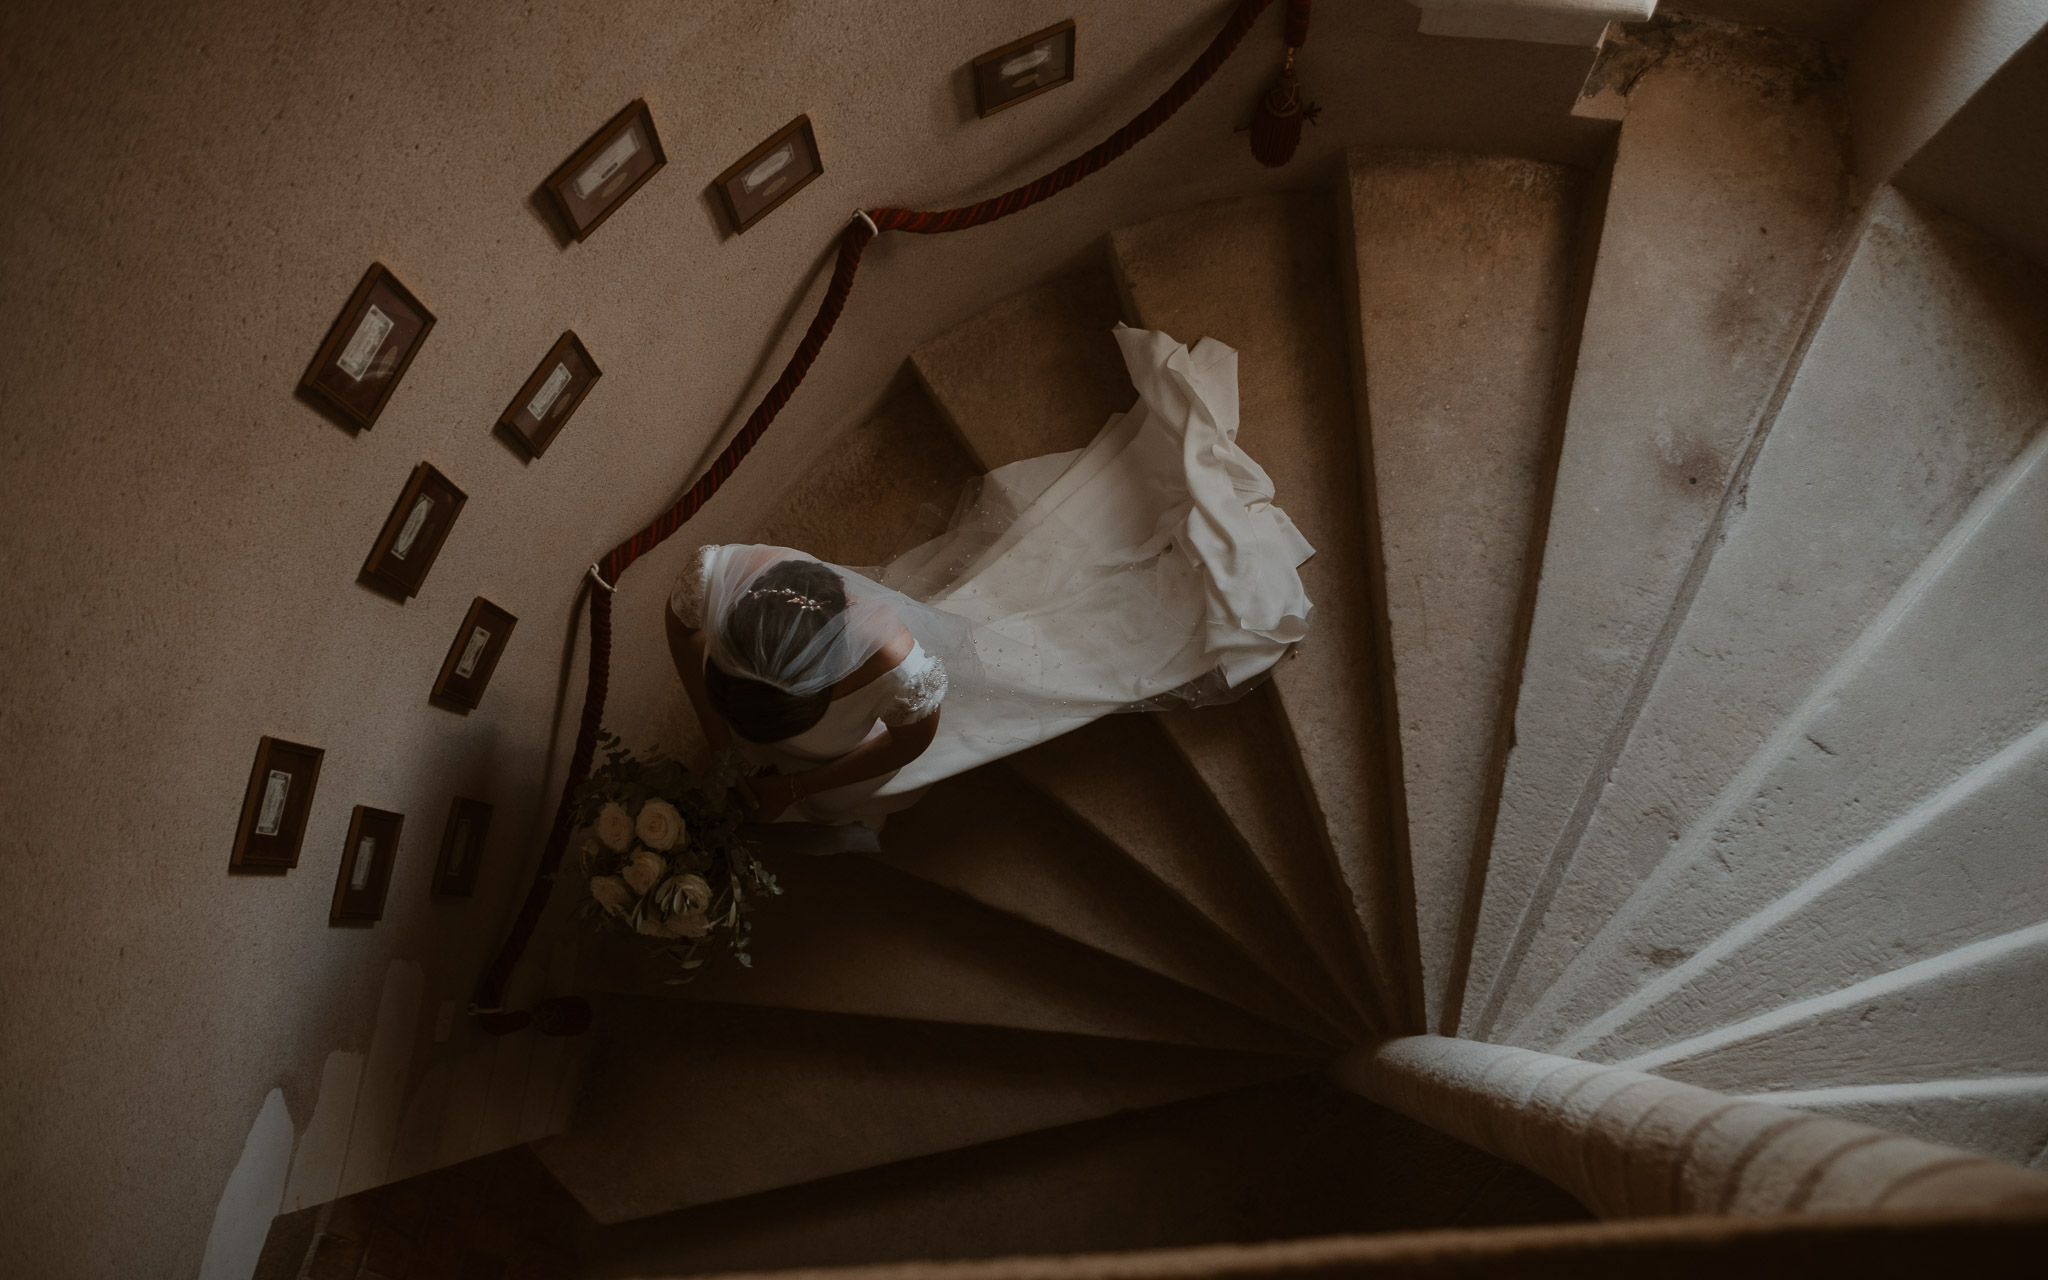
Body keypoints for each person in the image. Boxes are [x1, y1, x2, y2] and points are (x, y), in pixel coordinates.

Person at [667, 325, 1315, 827]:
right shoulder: (723, 575)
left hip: (859, 732)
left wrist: (797, 787)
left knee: (1027, 672)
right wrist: (715, 734)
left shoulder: (902, 665)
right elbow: (680, 626)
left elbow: (902, 749)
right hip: (772, 710)